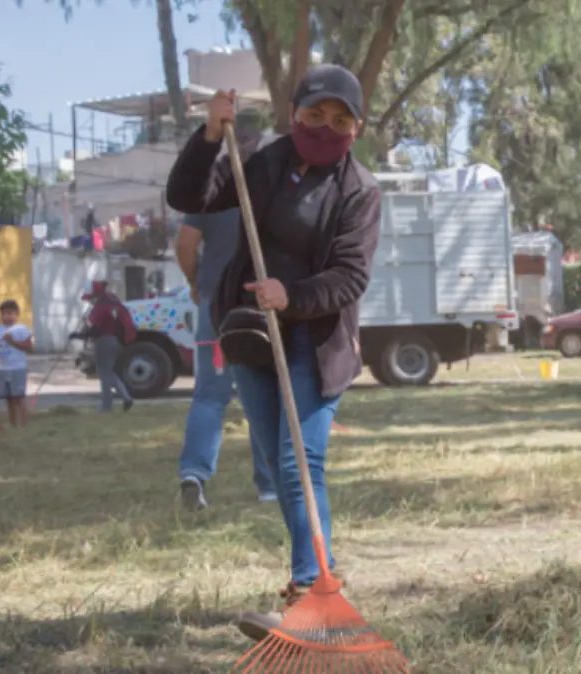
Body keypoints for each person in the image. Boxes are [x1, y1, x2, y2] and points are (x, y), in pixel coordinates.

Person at [165, 65, 382, 641]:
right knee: (279, 466)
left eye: (341, 120)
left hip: (317, 338)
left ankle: (316, 595)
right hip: (251, 336)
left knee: (298, 463)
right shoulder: (260, 158)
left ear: (356, 129)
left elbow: (350, 276)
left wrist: (293, 296)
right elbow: (189, 195)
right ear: (295, 114)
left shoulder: (360, 190)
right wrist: (211, 134)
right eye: (316, 115)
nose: (326, 127)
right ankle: (308, 588)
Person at [176, 109, 276, 509]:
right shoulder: (273, 185)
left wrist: (196, 282)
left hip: (215, 307)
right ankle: (269, 485)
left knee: (210, 396)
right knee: (262, 392)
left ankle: (193, 473)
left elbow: (185, 243)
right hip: (256, 305)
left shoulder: (213, 186)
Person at [72, 281, 134, 412]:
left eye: (90, 297)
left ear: (95, 294)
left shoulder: (100, 307)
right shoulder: (112, 303)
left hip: (103, 342)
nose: (89, 301)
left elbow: (94, 330)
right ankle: (126, 397)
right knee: (109, 372)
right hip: (115, 341)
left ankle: (107, 407)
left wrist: (78, 335)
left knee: (104, 375)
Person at [0, 299, 33, 427]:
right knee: (8, 399)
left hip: (17, 368)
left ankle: (24, 424)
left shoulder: (21, 329)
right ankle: (13, 424)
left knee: (18, 397)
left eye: (10, 313)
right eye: (4, 314)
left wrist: (13, 341)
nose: (7, 316)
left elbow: (29, 347)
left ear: (17, 314)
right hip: (1, 368)